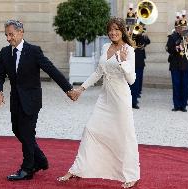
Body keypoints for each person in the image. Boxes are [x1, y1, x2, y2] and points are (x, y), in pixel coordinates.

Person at [57, 17, 140, 189]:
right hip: (105, 97)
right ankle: (77, 169)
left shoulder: (128, 50)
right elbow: (98, 72)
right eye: (110, 29)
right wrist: (81, 89)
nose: (113, 32)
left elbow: (132, 80)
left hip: (121, 98)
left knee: (124, 136)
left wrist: (123, 62)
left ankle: (131, 175)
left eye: (116, 29)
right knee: (90, 129)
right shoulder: (105, 47)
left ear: (122, 30)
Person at [0, 20, 76, 181]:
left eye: (11, 34)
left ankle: (27, 169)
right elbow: (0, 74)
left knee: (27, 132)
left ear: (21, 32)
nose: (8, 38)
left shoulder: (33, 51)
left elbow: (51, 70)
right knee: (17, 130)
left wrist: (68, 89)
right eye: (6, 35)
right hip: (15, 100)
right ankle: (40, 160)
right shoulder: (5, 52)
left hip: (31, 100)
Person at [166, 18, 188, 112]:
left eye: (184, 27)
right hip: (175, 65)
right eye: (180, 27)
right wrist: (177, 47)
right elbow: (169, 49)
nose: (182, 29)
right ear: (176, 28)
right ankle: (176, 105)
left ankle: (183, 105)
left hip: (186, 65)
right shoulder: (172, 37)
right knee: (176, 85)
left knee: (185, 86)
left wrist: (187, 41)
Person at [130, 25, 150, 109]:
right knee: (129, 84)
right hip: (129, 63)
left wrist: (141, 33)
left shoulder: (142, 37)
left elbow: (147, 41)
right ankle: (127, 102)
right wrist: (131, 33)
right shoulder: (129, 36)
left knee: (136, 83)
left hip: (138, 63)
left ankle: (134, 102)